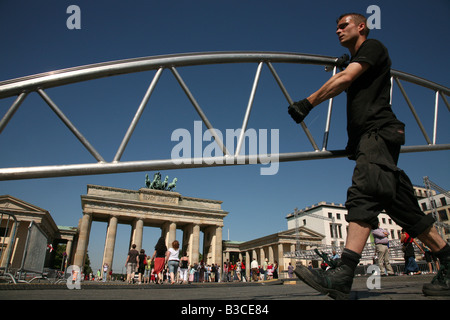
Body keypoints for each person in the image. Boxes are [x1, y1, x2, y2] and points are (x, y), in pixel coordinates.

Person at [290, 12, 450, 299]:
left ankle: (343, 273)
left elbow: (347, 78)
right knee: (405, 210)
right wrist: (346, 63)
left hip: (378, 133)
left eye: (343, 26)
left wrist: (308, 102)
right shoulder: (359, 59)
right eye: (336, 28)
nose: (337, 31)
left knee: (365, 190)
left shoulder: (373, 47)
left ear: (361, 26)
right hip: (374, 137)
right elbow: (352, 73)